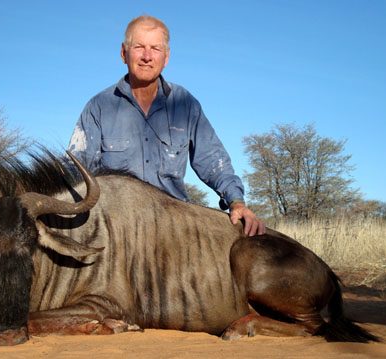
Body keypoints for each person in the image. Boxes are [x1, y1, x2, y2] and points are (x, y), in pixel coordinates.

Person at [68, 15, 265, 236]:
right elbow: (74, 172)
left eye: (155, 49)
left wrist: (236, 202)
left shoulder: (185, 104)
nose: (146, 56)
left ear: (166, 57)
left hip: (174, 227)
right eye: (139, 47)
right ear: (124, 53)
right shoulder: (98, 107)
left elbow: (212, 160)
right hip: (116, 229)